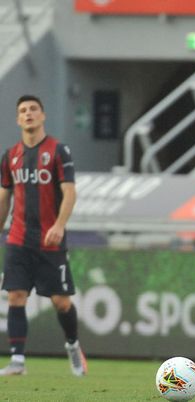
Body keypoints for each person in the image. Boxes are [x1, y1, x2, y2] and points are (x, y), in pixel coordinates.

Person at [0, 95, 86, 376]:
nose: (28, 114)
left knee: (61, 302)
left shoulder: (58, 151)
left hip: (50, 239)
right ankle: (17, 361)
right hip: (18, 238)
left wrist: (60, 225)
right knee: (15, 296)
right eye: (22, 110)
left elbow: (70, 192)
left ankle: (73, 344)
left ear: (43, 115)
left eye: (33, 109)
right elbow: (4, 198)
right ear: (17, 119)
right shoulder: (9, 156)